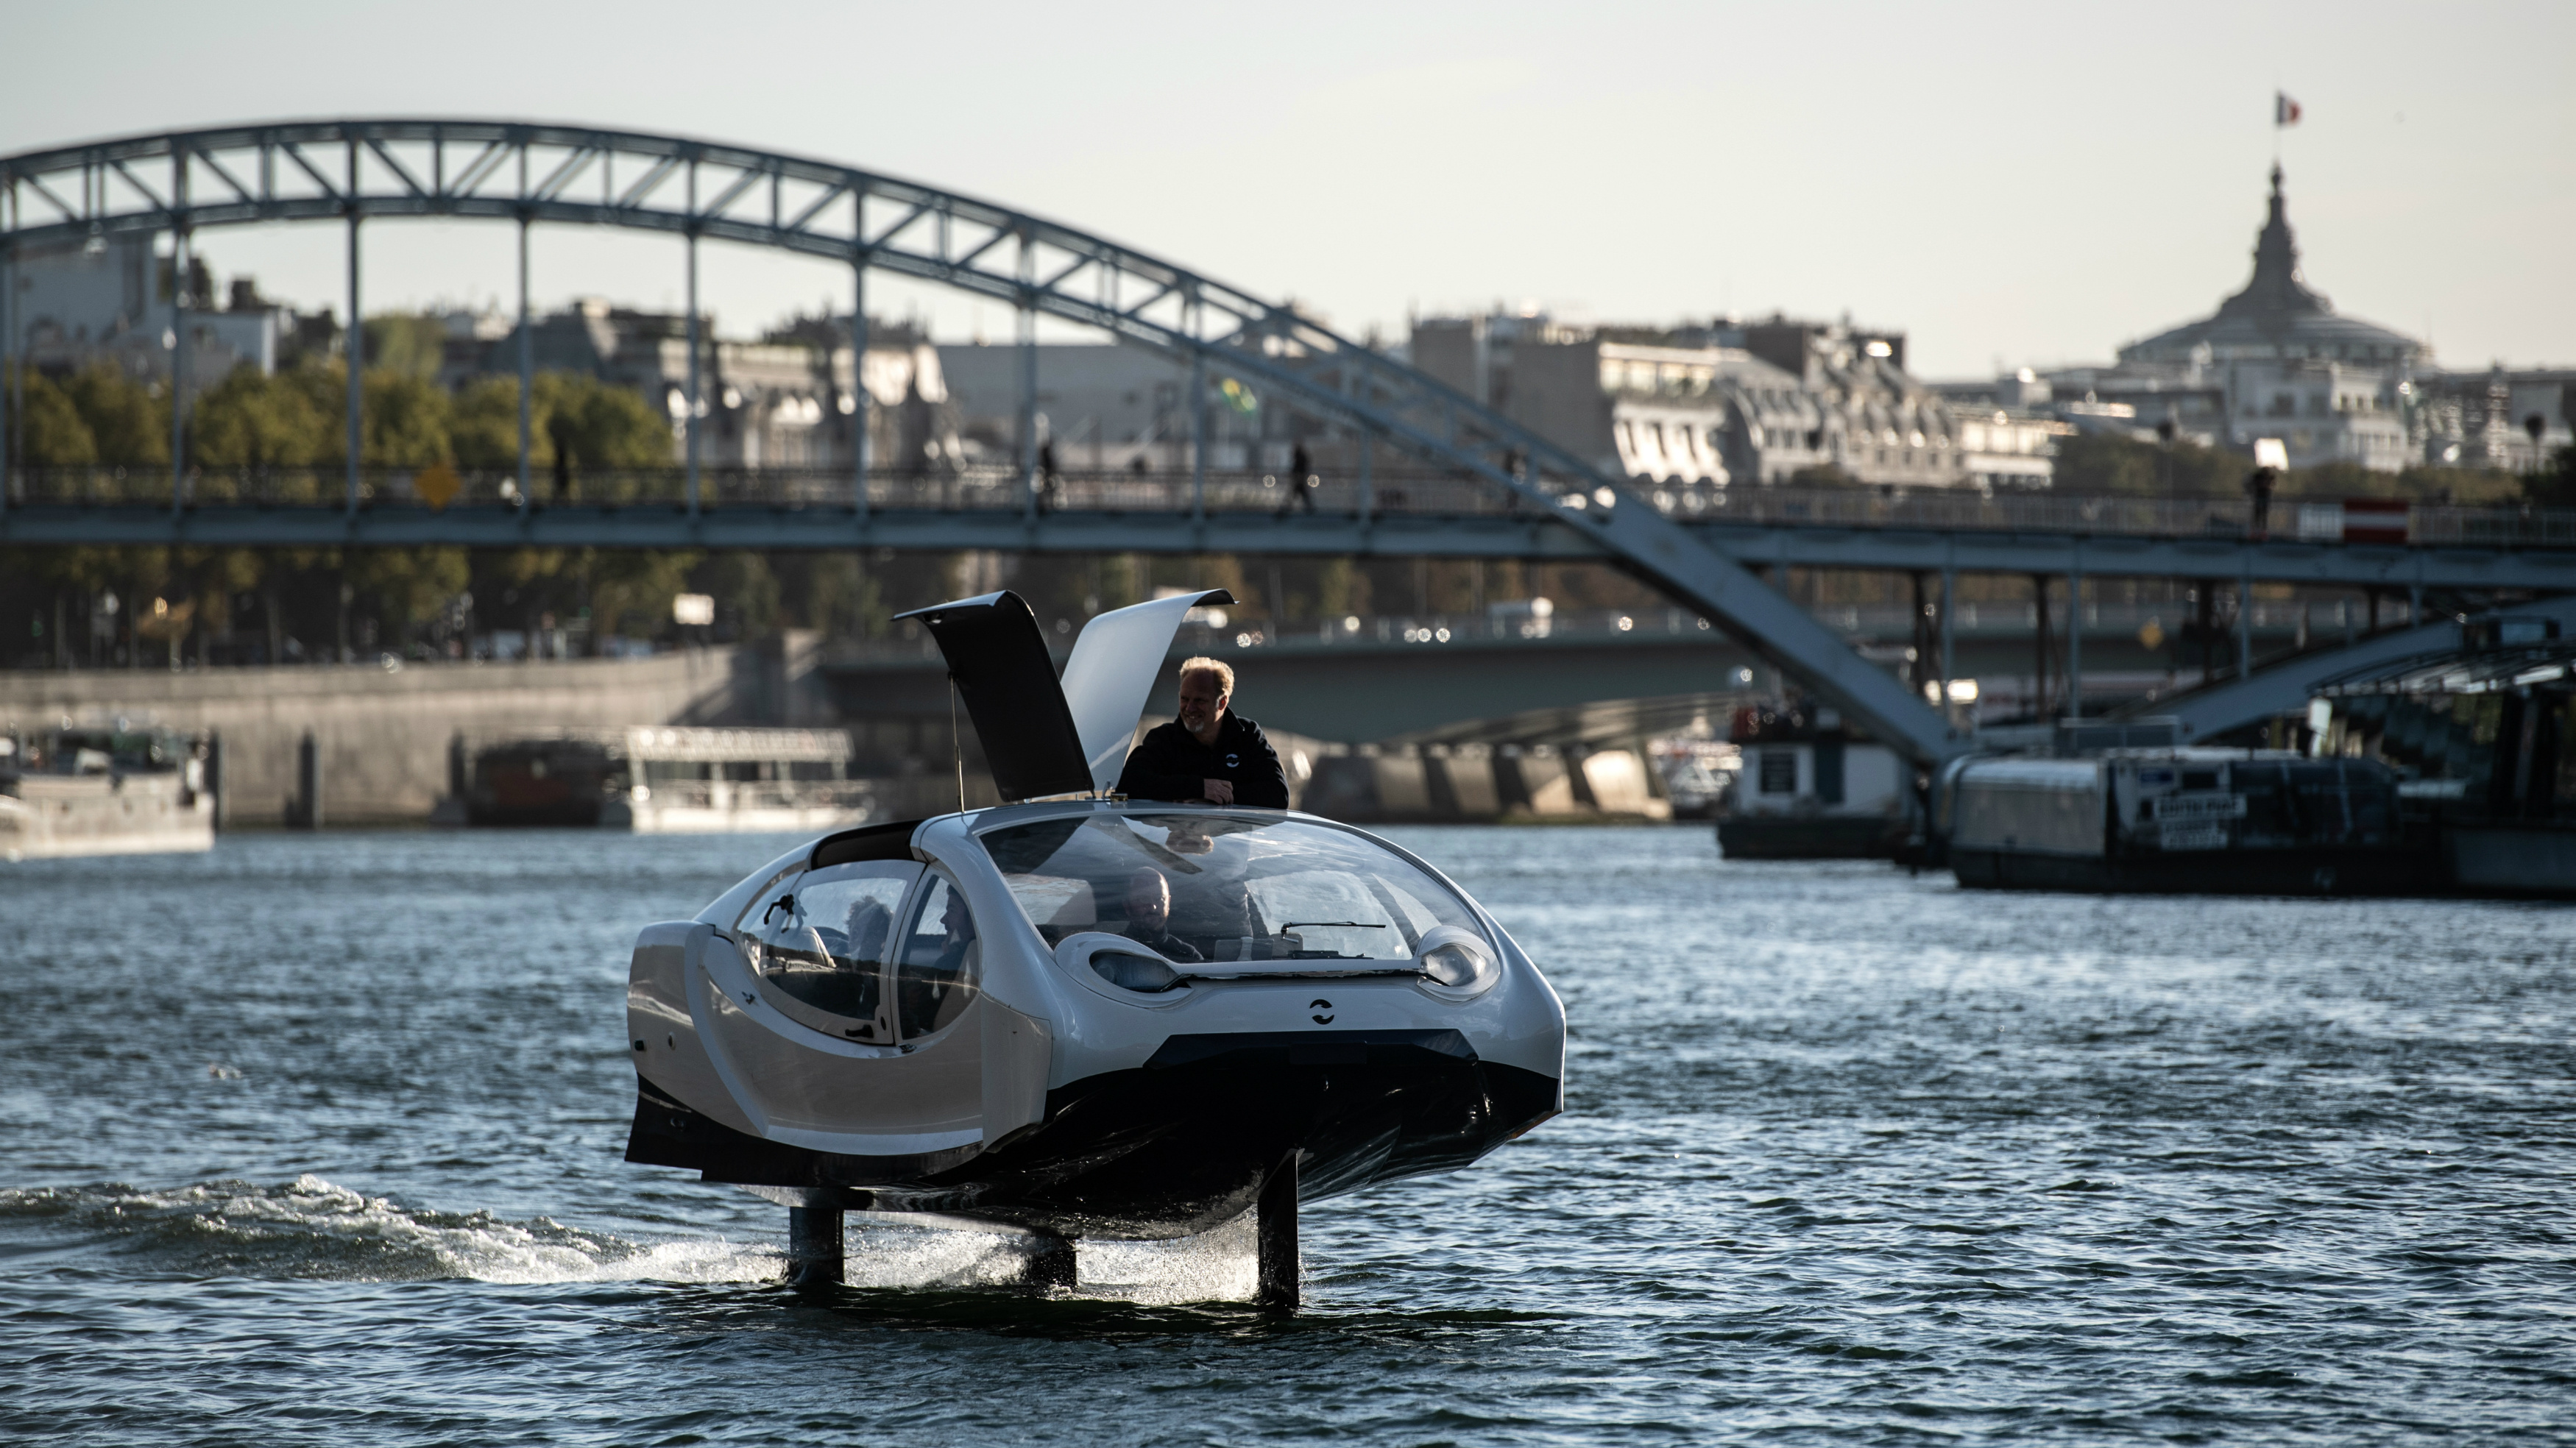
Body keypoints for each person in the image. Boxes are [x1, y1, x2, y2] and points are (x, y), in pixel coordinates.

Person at [1116, 657, 1290, 808]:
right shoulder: (1164, 739)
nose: (1189, 708)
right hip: (1176, 845)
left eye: (1199, 701)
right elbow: (1129, 783)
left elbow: (1279, 794)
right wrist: (1199, 788)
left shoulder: (1247, 735)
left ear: (1222, 703)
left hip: (1233, 844)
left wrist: (1216, 797)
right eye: (1184, 699)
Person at [1122, 867, 1203, 962]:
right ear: (1127, 906)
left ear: (1168, 902)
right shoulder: (1109, 950)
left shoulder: (1190, 956)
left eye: (1159, 898)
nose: (1153, 907)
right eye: (1143, 899)